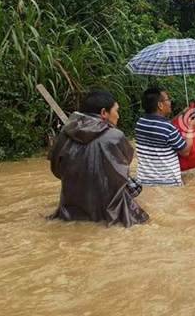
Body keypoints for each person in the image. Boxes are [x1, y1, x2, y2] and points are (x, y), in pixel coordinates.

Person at [49, 90, 149, 227]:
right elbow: (126, 162)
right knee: (135, 188)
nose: (118, 116)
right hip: (110, 215)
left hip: (70, 212)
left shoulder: (64, 136)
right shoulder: (115, 136)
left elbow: (56, 170)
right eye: (116, 111)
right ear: (104, 113)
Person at [135, 87, 195, 186]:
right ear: (160, 105)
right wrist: (190, 128)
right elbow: (185, 151)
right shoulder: (168, 128)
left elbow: (161, 128)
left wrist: (181, 114)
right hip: (168, 184)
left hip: (144, 182)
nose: (170, 102)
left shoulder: (140, 123)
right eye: (168, 99)